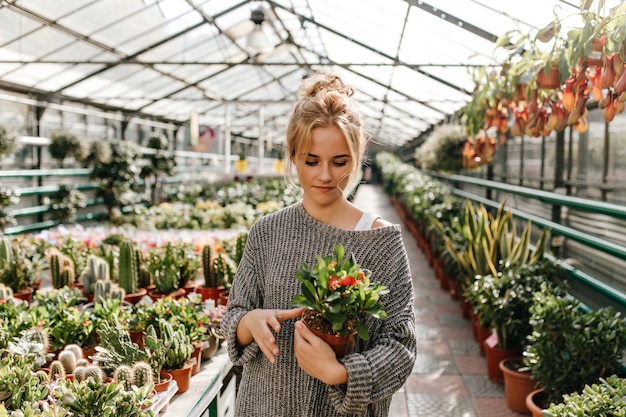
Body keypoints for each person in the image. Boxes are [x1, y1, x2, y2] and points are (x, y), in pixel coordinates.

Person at [221, 72, 417, 416]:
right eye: (311, 161)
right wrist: (249, 322)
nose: (325, 175)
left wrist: (340, 372)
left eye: (339, 162)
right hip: (264, 407)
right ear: (293, 157)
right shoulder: (267, 232)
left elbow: (402, 346)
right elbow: (235, 314)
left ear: (357, 158)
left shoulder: (381, 241)